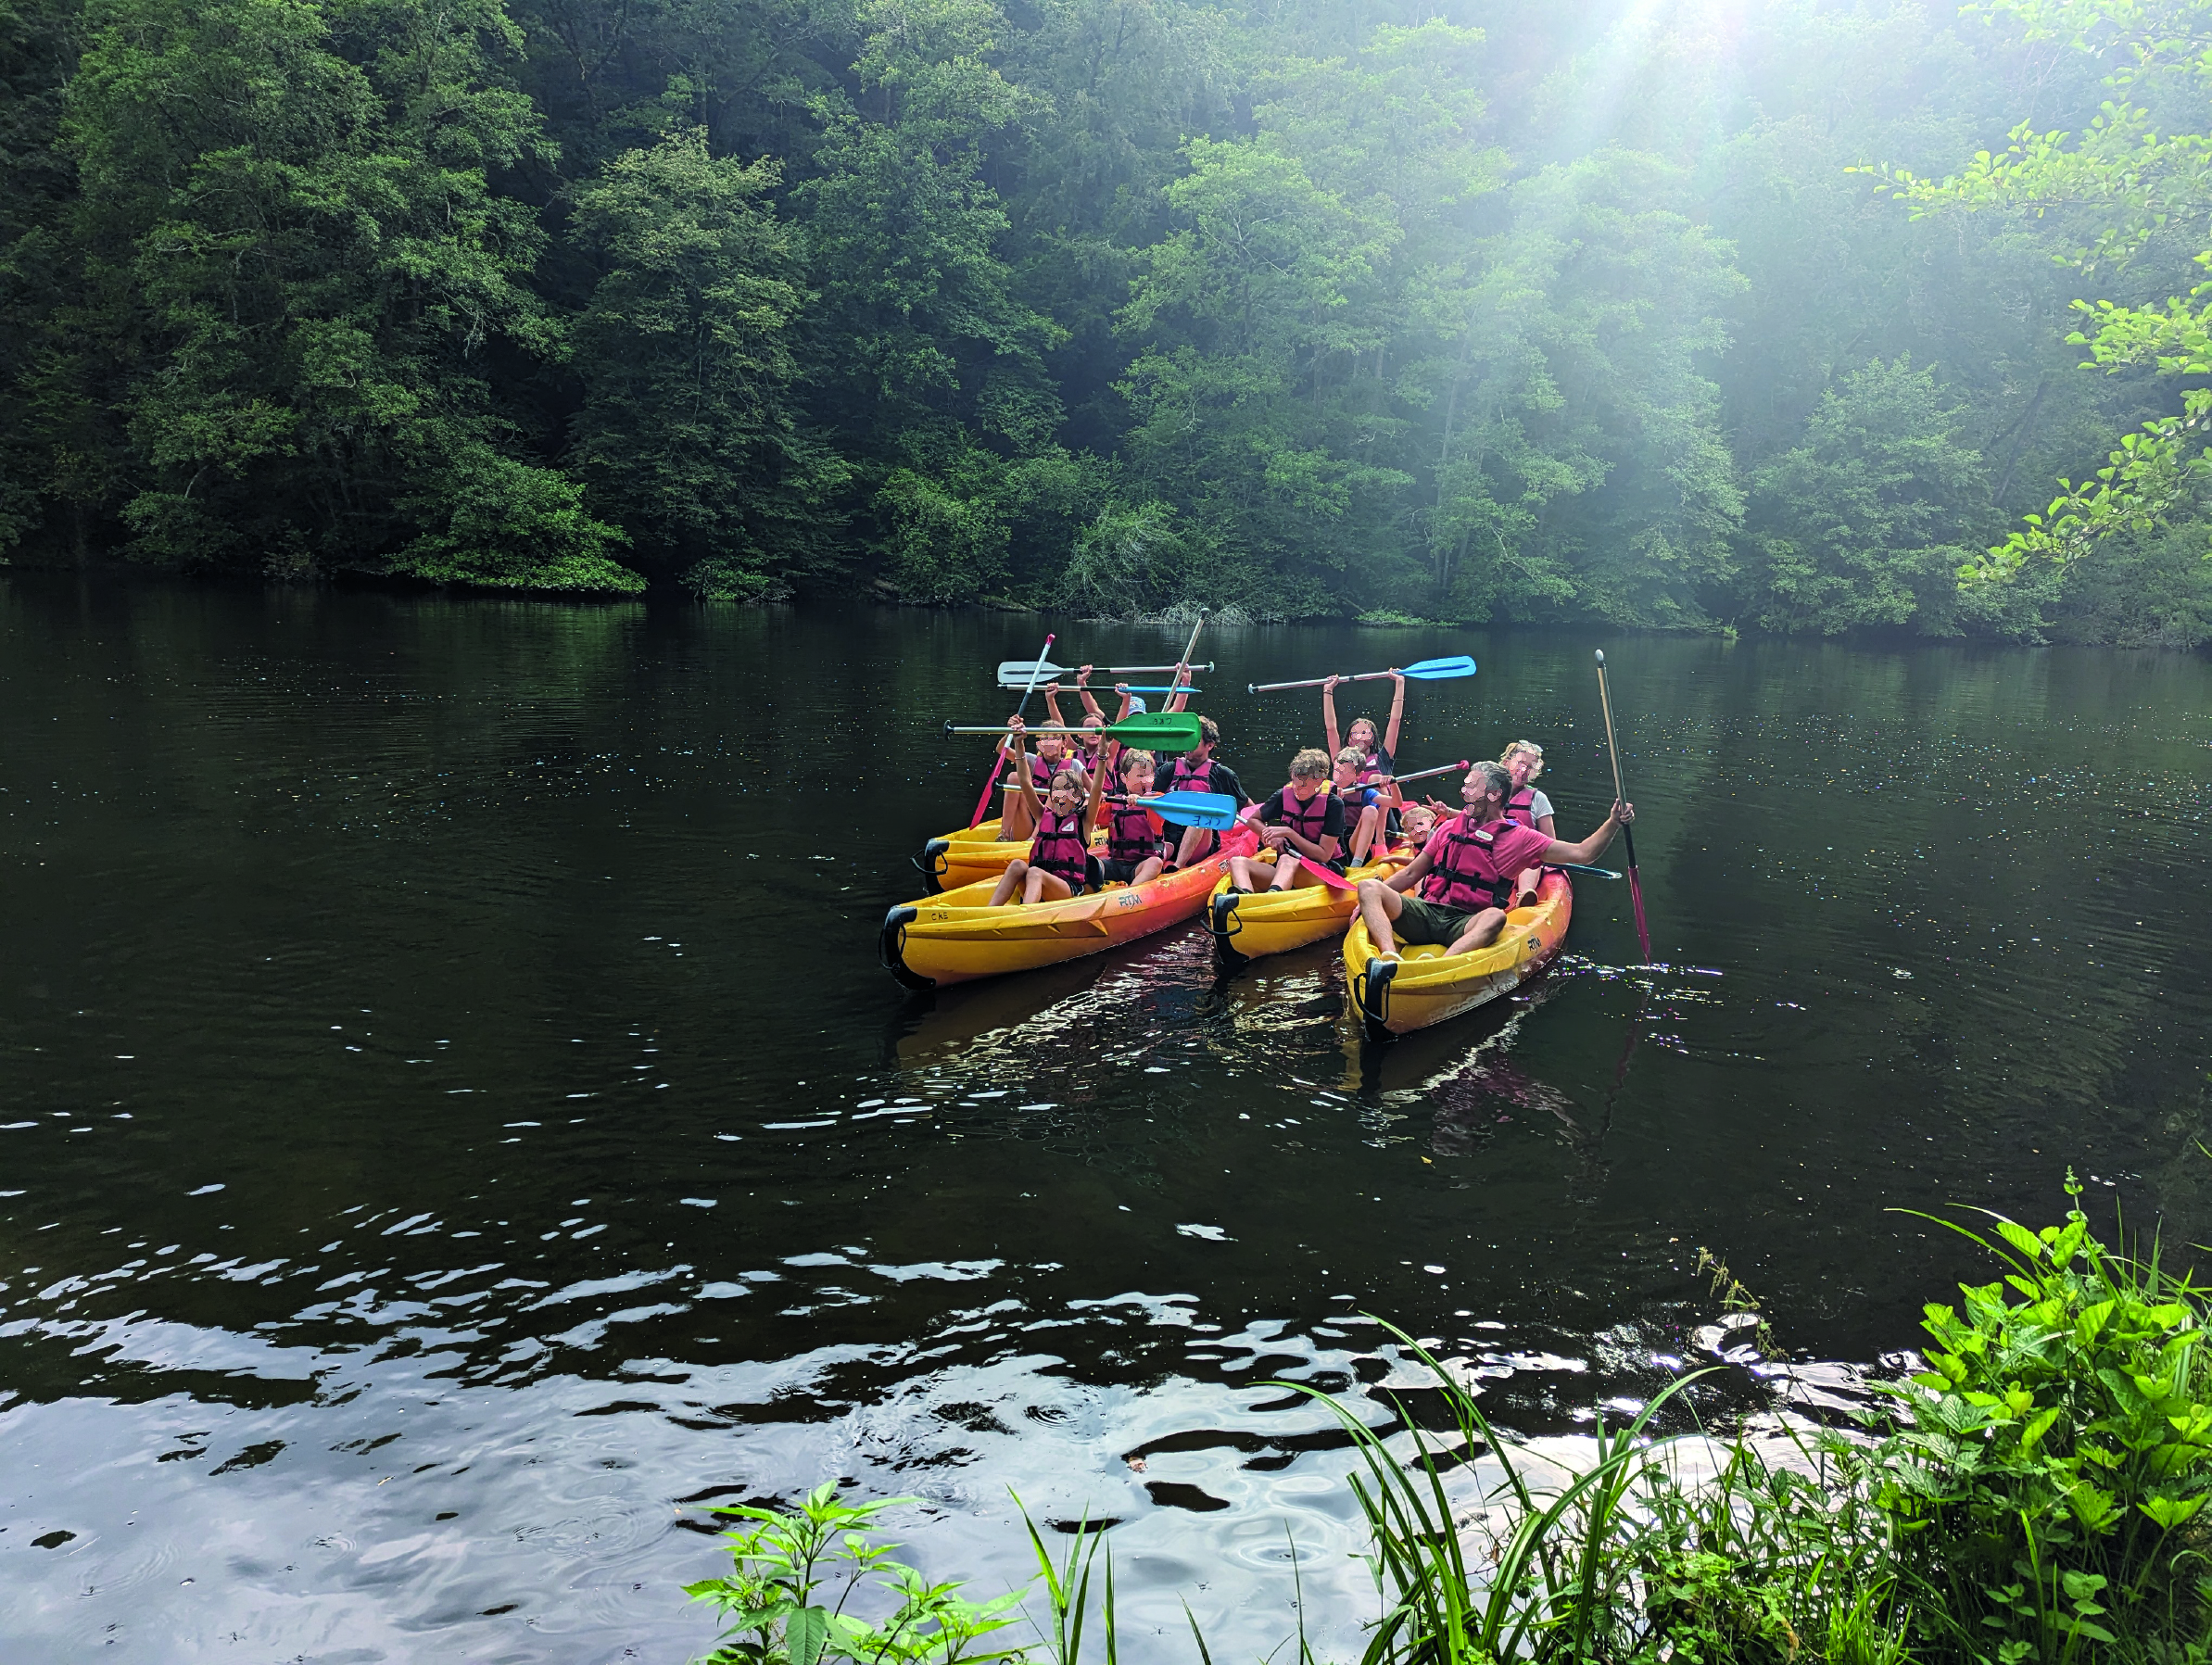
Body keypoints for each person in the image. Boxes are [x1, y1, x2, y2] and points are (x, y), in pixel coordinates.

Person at [1356, 760, 1629, 960]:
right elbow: (1410, 874)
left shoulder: (1521, 838)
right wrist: (1371, 902)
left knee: (1496, 917)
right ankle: (1389, 958)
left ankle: (1445, 964)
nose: (1465, 792)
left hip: (1466, 923)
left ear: (1495, 795)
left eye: (1473, 786)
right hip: (1427, 911)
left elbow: (1583, 853)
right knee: (1368, 888)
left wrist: (1613, 823)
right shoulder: (1449, 828)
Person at [989, 716, 1108, 905]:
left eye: (1068, 791)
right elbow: (1025, 781)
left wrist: (1102, 754)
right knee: (1017, 865)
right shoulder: (1041, 814)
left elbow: (1095, 790)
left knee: (1035, 872)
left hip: (1066, 888)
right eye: (1058, 790)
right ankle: (990, 913)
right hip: (1038, 881)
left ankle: (1026, 917)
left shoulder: (1085, 822)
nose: (1062, 795)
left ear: (1078, 797)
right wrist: (1019, 743)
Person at [1226, 748, 1345, 893]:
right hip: (1285, 869)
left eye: (1303, 785)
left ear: (1320, 781)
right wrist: (1271, 836)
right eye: (1294, 782)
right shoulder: (1284, 795)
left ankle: (1271, 897)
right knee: (1237, 862)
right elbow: (1253, 820)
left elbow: (1323, 855)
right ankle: (1244, 900)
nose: (1296, 789)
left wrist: (1289, 833)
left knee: (1286, 859)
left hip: (1322, 871)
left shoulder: (1333, 804)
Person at [1159, 715, 1249, 868]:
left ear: (1209, 745)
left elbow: (1247, 808)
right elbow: (1148, 798)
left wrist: (1261, 833)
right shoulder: (1169, 770)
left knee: (1201, 809)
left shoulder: (1222, 774)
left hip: (1200, 846)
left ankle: (1179, 866)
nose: (1187, 744)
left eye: (1194, 740)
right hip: (1167, 840)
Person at [1098, 748, 1170, 888]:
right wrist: (1097, 800)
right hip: (1115, 863)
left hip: (1141, 864)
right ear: (1124, 778)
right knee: (1092, 862)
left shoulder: (1158, 800)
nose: (1145, 780)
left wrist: (1140, 799)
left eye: (1149, 776)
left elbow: (1156, 805)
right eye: (1140, 775)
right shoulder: (1115, 803)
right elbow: (1090, 818)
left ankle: (1129, 892)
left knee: (1155, 863)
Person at [1323, 671, 1407, 783]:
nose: (1359, 737)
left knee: (1374, 779)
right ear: (1349, 740)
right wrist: (1328, 690)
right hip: (1351, 800)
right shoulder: (1341, 759)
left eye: (1364, 733)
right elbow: (1331, 728)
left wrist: (1400, 682)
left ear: (1372, 739)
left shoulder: (1383, 758)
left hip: (1379, 800)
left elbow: (1395, 720)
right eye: (1355, 733)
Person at [1499, 741, 1556, 836]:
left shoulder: (1539, 799)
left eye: (1529, 767)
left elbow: (1551, 844)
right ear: (1506, 763)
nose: (1523, 770)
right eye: (1520, 763)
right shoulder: (1489, 792)